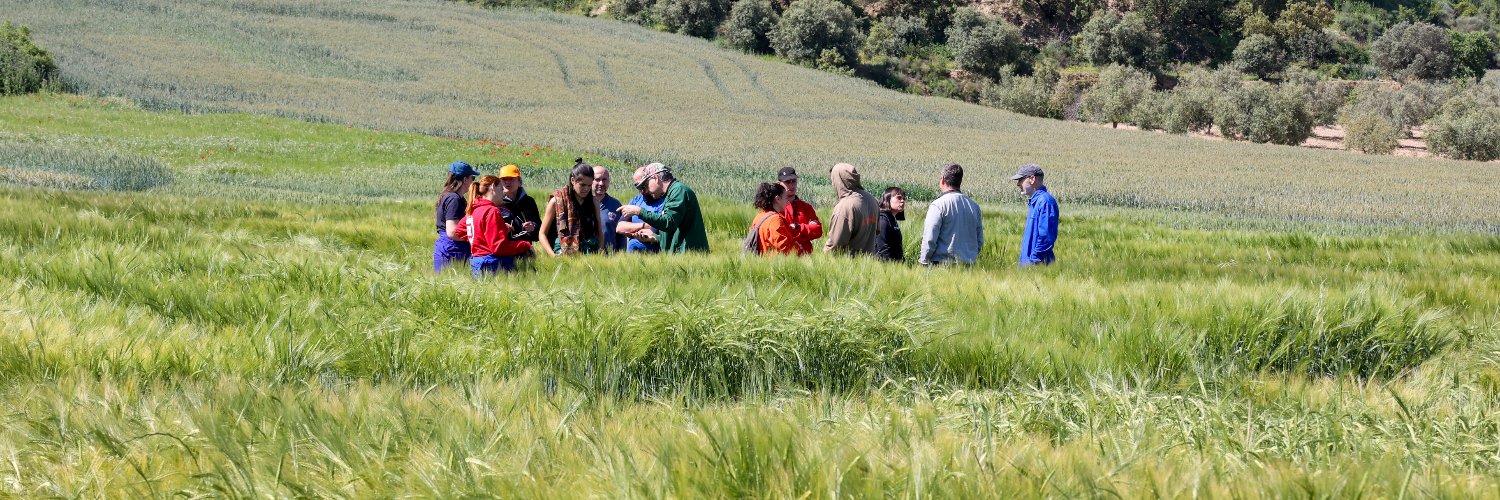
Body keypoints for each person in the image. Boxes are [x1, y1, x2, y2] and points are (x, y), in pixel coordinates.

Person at [619, 163, 709, 253]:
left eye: (646, 185)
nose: (646, 190)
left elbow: (668, 223)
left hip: (689, 257)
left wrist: (639, 211)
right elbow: (674, 231)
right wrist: (655, 237)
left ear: (655, 178)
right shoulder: (670, 194)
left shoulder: (678, 191)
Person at [459, 175, 533, 276]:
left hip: (476, 265)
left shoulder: (473, 210)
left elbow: (460, 230)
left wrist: (498, 228)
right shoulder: (492, 211)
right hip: (493, 266)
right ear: (493, 187)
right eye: (502, 189)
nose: (504, 194)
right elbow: (499, 247)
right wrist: (525, 245)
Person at [919, 164, 984, 265]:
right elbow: (979, 241)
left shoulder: (938, 205)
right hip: (969, 266)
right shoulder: (974, 206)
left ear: (943, 180)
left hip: (942, 265)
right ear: (960, 181)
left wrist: (923, 261)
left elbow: (929, 238)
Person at [540, 164, 604, 256]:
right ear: (572, 181)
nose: (586, 189)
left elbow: (599, 232)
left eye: (589, 185)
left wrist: (600, 254)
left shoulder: (594, 202)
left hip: (590, 252)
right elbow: (542, 234)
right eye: (582, 185)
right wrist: (553, 256)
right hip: (562, 252)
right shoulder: (556, 202)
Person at [823, 162, 879, 255]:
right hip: (869, 264)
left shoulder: (844, 207)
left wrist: (823, 260)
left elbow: (835, 244)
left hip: (848, 265)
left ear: (838, 180)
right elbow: (876, 232)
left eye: (833, 179)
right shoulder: (872, 200)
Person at [433, 161, 478, 273]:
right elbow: (453, 232)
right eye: (472, 178)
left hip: (449, 248)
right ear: (465, 180)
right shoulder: (454, 199)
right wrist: (476, 237)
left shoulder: (450, 196)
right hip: (453, 251)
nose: (473, 181)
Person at [1012, 163, 1059, 267]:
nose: (1018, 184)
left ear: (1032, 179)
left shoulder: (1045, 202)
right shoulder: (1036, 201)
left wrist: (1034, 261)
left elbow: (1046, 237)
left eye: (1021, 180)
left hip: (1037, 267)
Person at [616, 166, 666, 253]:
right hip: (635, 255)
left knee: (634, 244)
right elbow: (620, 227)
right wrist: (644, 226)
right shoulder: (636, 201)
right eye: (637, 186)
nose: (642, 190)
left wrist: (632, 228)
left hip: (657, 250)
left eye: (644, 185)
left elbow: (662, 226)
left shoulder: (664, 201)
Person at [776, 167, 823, 254]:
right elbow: (779, 234)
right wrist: (806, 231)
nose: (791, 185)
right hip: (783, 257)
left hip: (806, 258)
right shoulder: (775, 208)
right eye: (787, 182)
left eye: (793, 181)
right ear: (779, 184)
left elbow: (818, 231)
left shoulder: (806, 207)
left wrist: (798, 227)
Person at [747, 182, 801, 255]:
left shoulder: (760, 215)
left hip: (761, 261)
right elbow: (784, 248)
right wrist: (799, 249)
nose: (787, 201)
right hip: (773, 263)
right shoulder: (775, 220)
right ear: (778, 199)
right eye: (786, 198)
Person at [498, 164, 540, 245]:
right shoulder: (496, 203)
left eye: (511, 179)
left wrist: (533, 227)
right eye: (504, 179)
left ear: (519, 182)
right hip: (503, 249)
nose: (507, 182)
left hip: (525, 249)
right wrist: (501, 228)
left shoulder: (529, 202)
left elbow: (541, 231)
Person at [591, 161, 627, 253]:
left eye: (604, 179)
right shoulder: (582, 204)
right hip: (587, 257)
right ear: (590, 181)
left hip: (610, 259)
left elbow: (621, 236)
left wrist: (621, 257)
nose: (601, 183)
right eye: (597, 179)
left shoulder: (616, 205)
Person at [875, 186, 907, 262]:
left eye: (904, 198)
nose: (902, 201)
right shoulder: (883, 219)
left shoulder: (892, 218)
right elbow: (883, 248)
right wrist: (889, 268)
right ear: (888, 199)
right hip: (885, 267)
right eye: (899, 198)